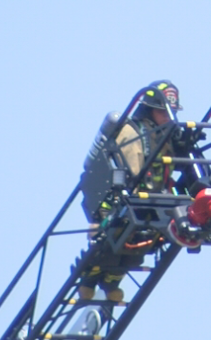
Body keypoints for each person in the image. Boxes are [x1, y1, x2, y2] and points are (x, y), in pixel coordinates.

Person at [78, 80, 183, 302]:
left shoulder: (165, 137)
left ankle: (111, 284)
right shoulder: (132, 132)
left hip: (150, 203)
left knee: (138, 250)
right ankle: (87, 282)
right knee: (109, 246)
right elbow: (132, 171)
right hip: (122, 203)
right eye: (162, 111)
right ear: (149, 109)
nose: (167, 116)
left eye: (171, 112)